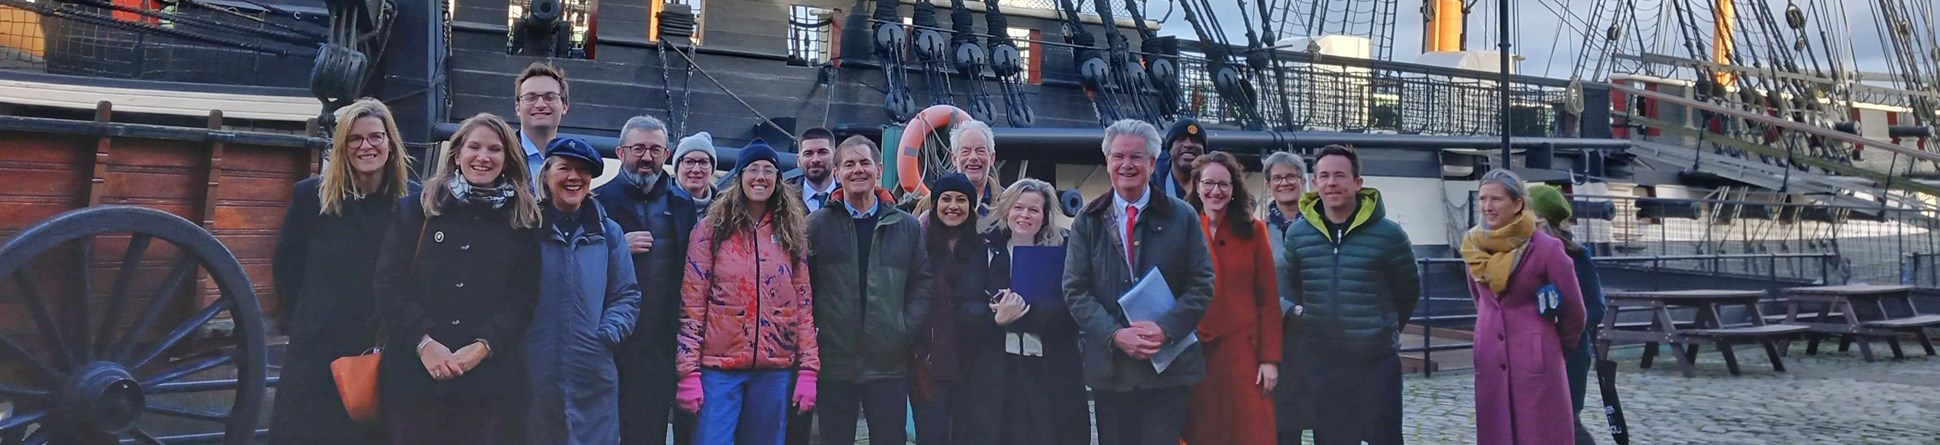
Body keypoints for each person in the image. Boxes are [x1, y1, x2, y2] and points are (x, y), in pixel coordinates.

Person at [374, 113, 544, 445]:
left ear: (507, 159)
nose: (483, 157)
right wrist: (424, 343)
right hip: (414, 375)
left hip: (487, 383)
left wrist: (481, 348)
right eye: (475, 147)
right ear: (457, 154)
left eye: (494, 149)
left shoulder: (522, 222)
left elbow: (522, 299)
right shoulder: (417, 210)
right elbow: (389, 283)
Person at [269, 98, 416, 445]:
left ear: (391, 144)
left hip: (379, 349)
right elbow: (287, 267)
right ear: (343, 147)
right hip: (317, 352)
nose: (367, 146)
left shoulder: (412, 204)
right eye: (356, 138)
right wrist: (304, 323)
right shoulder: (311, 199)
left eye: (376, 137)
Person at [1063, 119, 1214, 445]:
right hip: (1112, 369)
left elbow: (1202, 284)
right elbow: (1075, 290)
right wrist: (1115, 334)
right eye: (1118, 156)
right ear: (1107, 162)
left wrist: (1165, 329)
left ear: (1151, 162)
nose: (1126, 165)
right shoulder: (1087, 221)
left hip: (1167, 368)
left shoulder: (1182, 216)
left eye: (1136, 157)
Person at [674, 141, 820, 445]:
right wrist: (688, 373)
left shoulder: (792, 231)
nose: (760, 177)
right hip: (719, 367)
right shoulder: (711, 230)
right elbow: (693, 305)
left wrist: (808, 370)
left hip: (774, 368)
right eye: (753, 169)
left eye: (768, 170)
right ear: (739, 176)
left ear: (778, 180)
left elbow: (803, 306)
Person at [1279, 144, 1418, 445]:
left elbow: (1407, 290)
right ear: (1315, 183)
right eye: (1324, 176)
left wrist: (1381, 328)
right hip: (1323, 362)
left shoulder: (1389, 235)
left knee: (1385, 438)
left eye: (1340, 175)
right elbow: (1292, 287)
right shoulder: (1298, 235)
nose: (1331, 183)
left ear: (1357, 182)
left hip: (1376, 363)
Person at [807, 135, 932, 445]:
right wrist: (818, 332)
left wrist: (902, 328)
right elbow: (802, 289)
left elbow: (922, 283)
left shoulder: (907, 227)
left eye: (864, 163)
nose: (857, 170)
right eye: (849, 164)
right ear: (836, 173)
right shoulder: (815, 226)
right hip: (835, 362)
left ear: (879, 168)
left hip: (888, 363)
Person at [527, 137, 644, 445]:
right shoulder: (525, 228)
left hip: (592, 371)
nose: (573, 177)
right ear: (547, 174)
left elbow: (627, 295)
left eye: (582, 170)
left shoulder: (608, 233)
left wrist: (607, 334)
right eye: (564, 168)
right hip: (532, 369)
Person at [594, 116, 702, 445]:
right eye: (638, 148)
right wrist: (616, 248)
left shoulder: (681, 204)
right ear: (620, 151)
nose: (646, 157)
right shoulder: (598, 202)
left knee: (650, 431)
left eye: (655, 149)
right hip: (609, 340)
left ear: (666, 154)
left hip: (659, 342)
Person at [1462, 176, 1591, 445]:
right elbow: (1482, 301)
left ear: (1518, 204)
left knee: (1540, 434)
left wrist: (1551, 347)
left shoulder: (1546, 248)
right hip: (1490, 358)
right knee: (1496, 433)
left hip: (1536, 362)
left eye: (1496, 199)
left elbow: (1575, 312)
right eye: (1483, 199)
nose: (1487, 206)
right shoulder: (1474, 247)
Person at [977, 179, 1089, 445]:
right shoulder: (985, 249)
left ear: (1045, 215)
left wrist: (1021, 313)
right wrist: (995, 317)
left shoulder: (1064, 250)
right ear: (1006, 210)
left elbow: (1074, 306)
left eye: (1033, 210)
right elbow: (968, 303)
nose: (1025, 215)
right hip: (1001, 369)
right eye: (1019, 207)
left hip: (1051, 367)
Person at [1182, 152, 1281, 445]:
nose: (1216, 191)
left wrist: (1270, 360)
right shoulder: (1184, 229)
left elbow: (1269, 300)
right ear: (1197, 186)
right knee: (1200, 430)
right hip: (1195, 354)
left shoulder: (1254, 231)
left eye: (1223, 184)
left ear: (1234, 188)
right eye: (1208, 183)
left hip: (1244, 355)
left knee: (1249, 431)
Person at [910, 173, 995, 445]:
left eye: (961, 200)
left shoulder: (985, 248)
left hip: (974, 362)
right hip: (929, 362)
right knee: (931, 435)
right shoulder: (918, 246)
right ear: (934, 204)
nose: (953, 206)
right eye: (946, 199)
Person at [1525, 184, 1608, 445]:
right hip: (1530, 353)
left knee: (1567, 423)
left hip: (1568, 354)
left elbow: (1595, 308)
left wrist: (1560, 327)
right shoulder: (1518, 252)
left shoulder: (1574, 254)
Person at [1257, 151, 1312, 445]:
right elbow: (1254, 287)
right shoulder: (1259, 232)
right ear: (1268, 184)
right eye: (1277, 177)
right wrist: (1290, 310)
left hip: (1322, 338)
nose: (1284, 182)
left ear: (1303, 181)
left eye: (1291, 176)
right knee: (1285, 429)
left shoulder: (1322, 225)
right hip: (1282, 340)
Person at [515, 62, 570, 180]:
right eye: (530, 98)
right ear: (517, 107)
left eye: (549, 97)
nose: (540, 105)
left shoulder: (574, 160)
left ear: (565, 106)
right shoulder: (501, 155)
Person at [1152, 118, 1206, 200]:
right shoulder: (1151, 185)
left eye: (1195, 140)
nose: (1188, 145)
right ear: (1169, 150)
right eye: (1180, 140)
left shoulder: (1215, 183)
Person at [793, 127, 840, 214]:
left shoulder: (850, 195)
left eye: (822, 152)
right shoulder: (784, 199)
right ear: (799, 161)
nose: (815, 159)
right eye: (808, 154)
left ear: (835, 157)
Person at [674, 132, 720, 208]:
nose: (696, 170)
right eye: (689, 162)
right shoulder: (657, 202)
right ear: (677, 167)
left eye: (703, 162)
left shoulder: (726, 209)